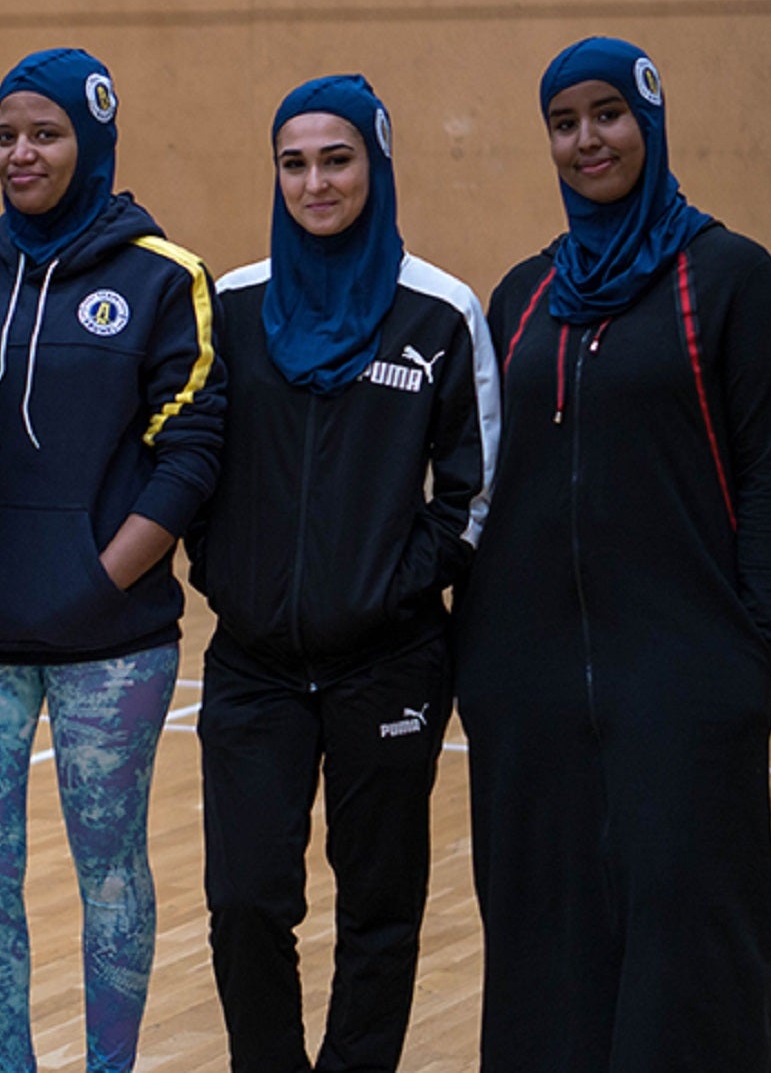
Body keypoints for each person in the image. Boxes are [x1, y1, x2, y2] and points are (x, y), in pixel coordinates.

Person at [453, 37, 771, 1072]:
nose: (584, 139)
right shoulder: (519, 297)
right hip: (528, 687)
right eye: (562, 122)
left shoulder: (730, 277)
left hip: (685, 676)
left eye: (605, 113)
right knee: (540, 932)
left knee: (692, 931)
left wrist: (756, 651)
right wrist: (479, 655)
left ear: (647, 119)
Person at [0, 48, 223, 1073]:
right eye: (5, 133)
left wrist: (95, 582)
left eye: (43, 133)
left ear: (91, 142)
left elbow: (188, 458)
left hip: (111, 643)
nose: (19, 153)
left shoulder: (163, 276)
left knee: (109, 869)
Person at [188, 75, 497, 1072]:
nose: (313, 181)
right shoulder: (230, 308)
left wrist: (391, 583)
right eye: (292, 161)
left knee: (378, 909)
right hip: (252, 666)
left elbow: (474, 485)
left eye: (336, 157)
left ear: (376, 160)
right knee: (242, 902)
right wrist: (223, 569)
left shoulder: (438, 312)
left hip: (388, 662)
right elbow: (188, 458)